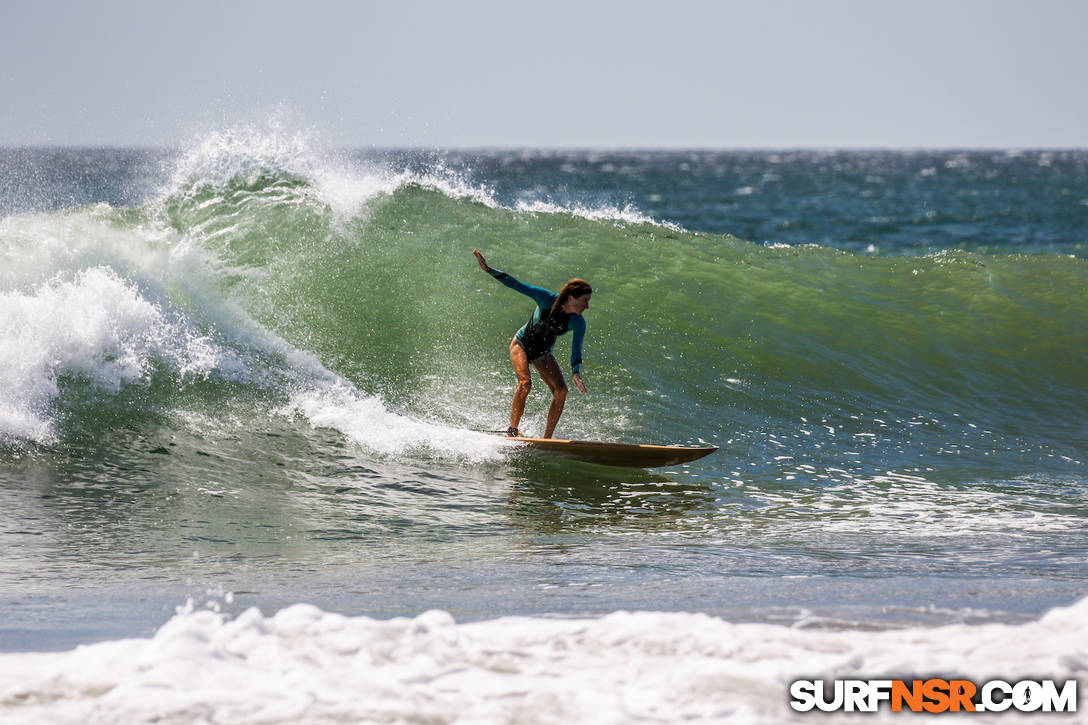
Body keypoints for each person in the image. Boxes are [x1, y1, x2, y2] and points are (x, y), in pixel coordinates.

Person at [473, 249, 592, 439]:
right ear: (571, 298)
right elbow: (516, 285)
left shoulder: (578, 322)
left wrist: (576, 372)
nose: (587, 306)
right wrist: (488, 270)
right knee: (525, 384)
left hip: (542, 352)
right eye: (585, 301)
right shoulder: (546, 299)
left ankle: (547, 440)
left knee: (561, 391)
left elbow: (576, 348)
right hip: (521, 344)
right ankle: (512, 430)